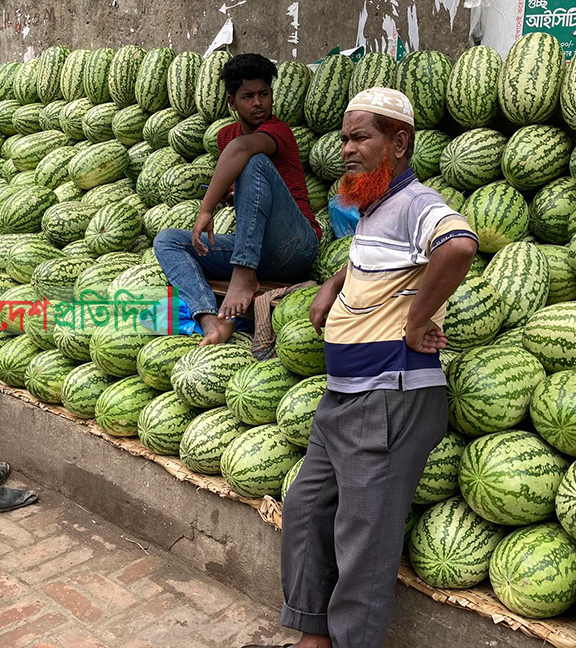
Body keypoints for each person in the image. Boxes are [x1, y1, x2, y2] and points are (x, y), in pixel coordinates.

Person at [244, 88, 480, 648]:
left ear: (398, 143)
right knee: (305, 508)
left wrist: (418, 321)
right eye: (345, 137)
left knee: (364, 541)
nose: (346, 148)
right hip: (346, 396)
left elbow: (460, 245)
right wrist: (331, 286)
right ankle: (312, 634)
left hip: (390, 397)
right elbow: (369, 263)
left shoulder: (418, 201)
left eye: (360, 138)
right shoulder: (373, 208)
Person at [154, 53, 322, 346]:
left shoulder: (277, 131)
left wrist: (206, 208)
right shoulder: (225, 136)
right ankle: (211, 320)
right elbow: (239, 162)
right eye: (248, 96)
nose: (258, 103)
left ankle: (244, 276)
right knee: (168, 240)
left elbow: (243, 149)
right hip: (256, 249)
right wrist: (235, 196)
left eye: (264, 94)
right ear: (232, 102)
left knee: (254, 162)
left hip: (295, 245)